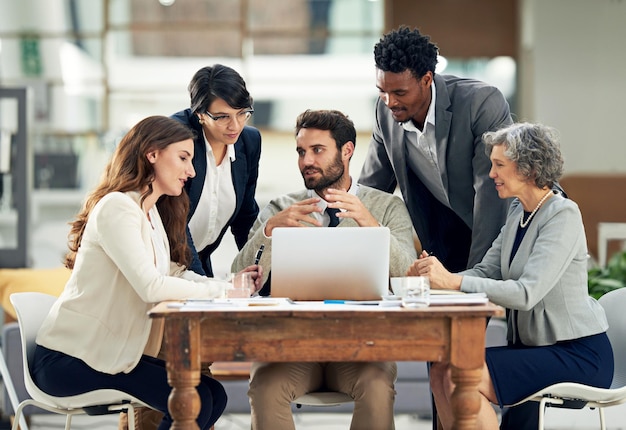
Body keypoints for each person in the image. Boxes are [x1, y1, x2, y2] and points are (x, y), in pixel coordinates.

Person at [31, 116, 263, 430]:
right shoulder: (117, 207)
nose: (191, 171)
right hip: (70, 360)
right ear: (152, 154)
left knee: (213, 395)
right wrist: (225, 292)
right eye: (183, 158)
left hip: (105, 354)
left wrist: (230, 284)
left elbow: (176, 275)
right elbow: (150, 286)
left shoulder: (149, 212)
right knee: (197, 400)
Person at [408, 122, 614, 429]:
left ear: (529, 169)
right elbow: (484, 271)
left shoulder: (563, 215)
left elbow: (527, 293)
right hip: (534, 350)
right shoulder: (519, 213)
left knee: (458, 375)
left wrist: (452, 281)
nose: (491, 174)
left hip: (576, 353)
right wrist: (432, 279)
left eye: (499, 165)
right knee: (440, 369)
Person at [231, 109, 417, 430]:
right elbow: (238, 277)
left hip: (362, 348)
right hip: (292, 347)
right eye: (301, 152)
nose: (306, 161)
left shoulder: (387, 207)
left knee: (376, 384)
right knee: (265, 384)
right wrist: (270, 232)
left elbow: (408, 275)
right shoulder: (281, 208)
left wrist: (369, 224)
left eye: (318, 150)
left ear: (346, 151)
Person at [359, 26, 513, 273]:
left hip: (502, 227)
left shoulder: (480, 103)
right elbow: (370, 194)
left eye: (399, 92)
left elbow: (491, 196)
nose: (390, 102)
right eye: (382, 91)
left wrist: (475, 281)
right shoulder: (385, 113)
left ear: (427, 80)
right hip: (445, 237)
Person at [169, 64, 262, 277]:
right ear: (200, 114)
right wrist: (206, 285)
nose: (235, 126)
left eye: (241, 114)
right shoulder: (178, 138)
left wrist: (264, 278)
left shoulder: (249, 141)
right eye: (222, 117)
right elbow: (176, 223)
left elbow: (245, 217)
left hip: (198, 259)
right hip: (164, 261)